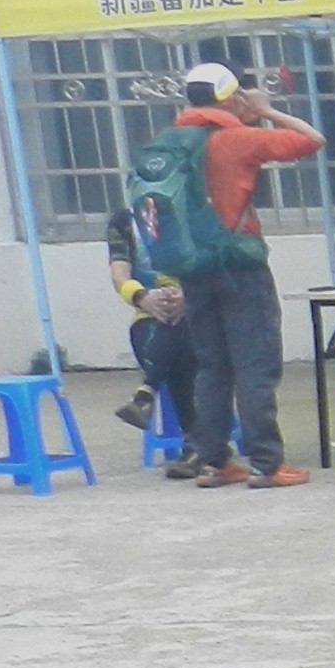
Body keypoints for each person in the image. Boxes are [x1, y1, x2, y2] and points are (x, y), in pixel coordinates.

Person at [160, 60, 323, 491]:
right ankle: (266, 465)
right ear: (230, 97)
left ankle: (214, 462)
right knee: (255, 365)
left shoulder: (171, 142)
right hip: (240, 264)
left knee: (212, 366)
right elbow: (313, 140)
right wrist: (265, 110)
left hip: (194, 267)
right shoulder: (238, 140)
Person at [103, 203, 209, 477]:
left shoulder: (195, 210)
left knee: (179, 329)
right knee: (172, 331)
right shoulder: (124, 221)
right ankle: (196, 445)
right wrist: (144, 299)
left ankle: (145, 395)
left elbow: (213, 270)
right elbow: (119, 277)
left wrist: (188, 297)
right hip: (148, 319)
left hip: (199, 316)